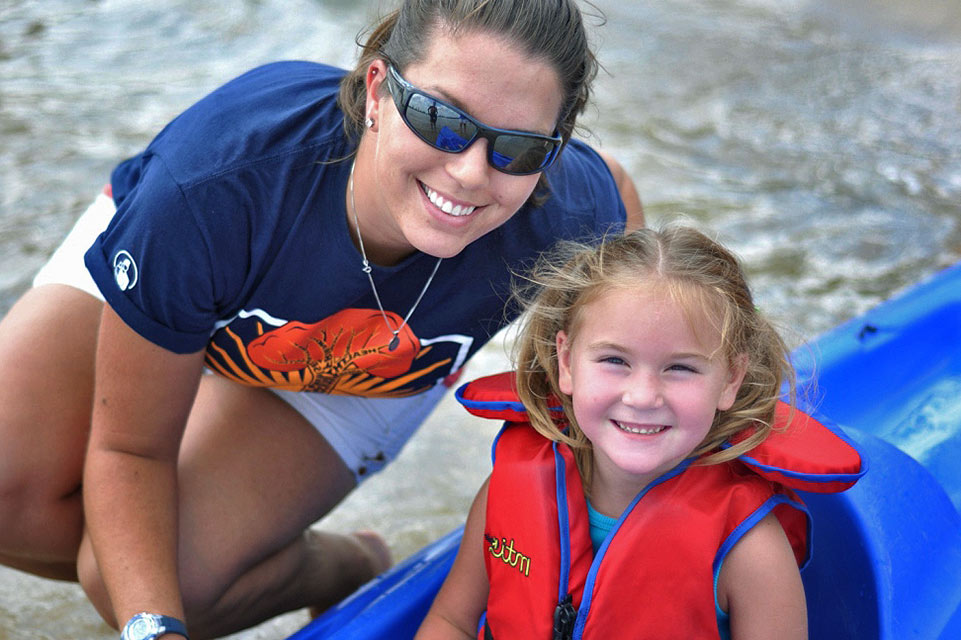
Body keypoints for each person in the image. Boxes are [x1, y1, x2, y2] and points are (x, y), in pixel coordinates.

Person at [0, 0, 644, 638]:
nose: (471, 171)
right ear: (376, 91)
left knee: (163, 580)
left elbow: (617, 201)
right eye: (439, 118)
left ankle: (346, 565)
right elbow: (130, 449)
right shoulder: (210, 187)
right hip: (196, 263)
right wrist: (151, 629)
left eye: (519, 147)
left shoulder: (565, 213)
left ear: (552, 151)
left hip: (378, 365)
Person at [415, 226, 864, 640]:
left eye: (680, 368)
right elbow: (452, 621)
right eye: (615, 360)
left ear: (730, 379)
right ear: (567, 362)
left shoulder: (751, 552)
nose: (643, 395)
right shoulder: (507, 489)